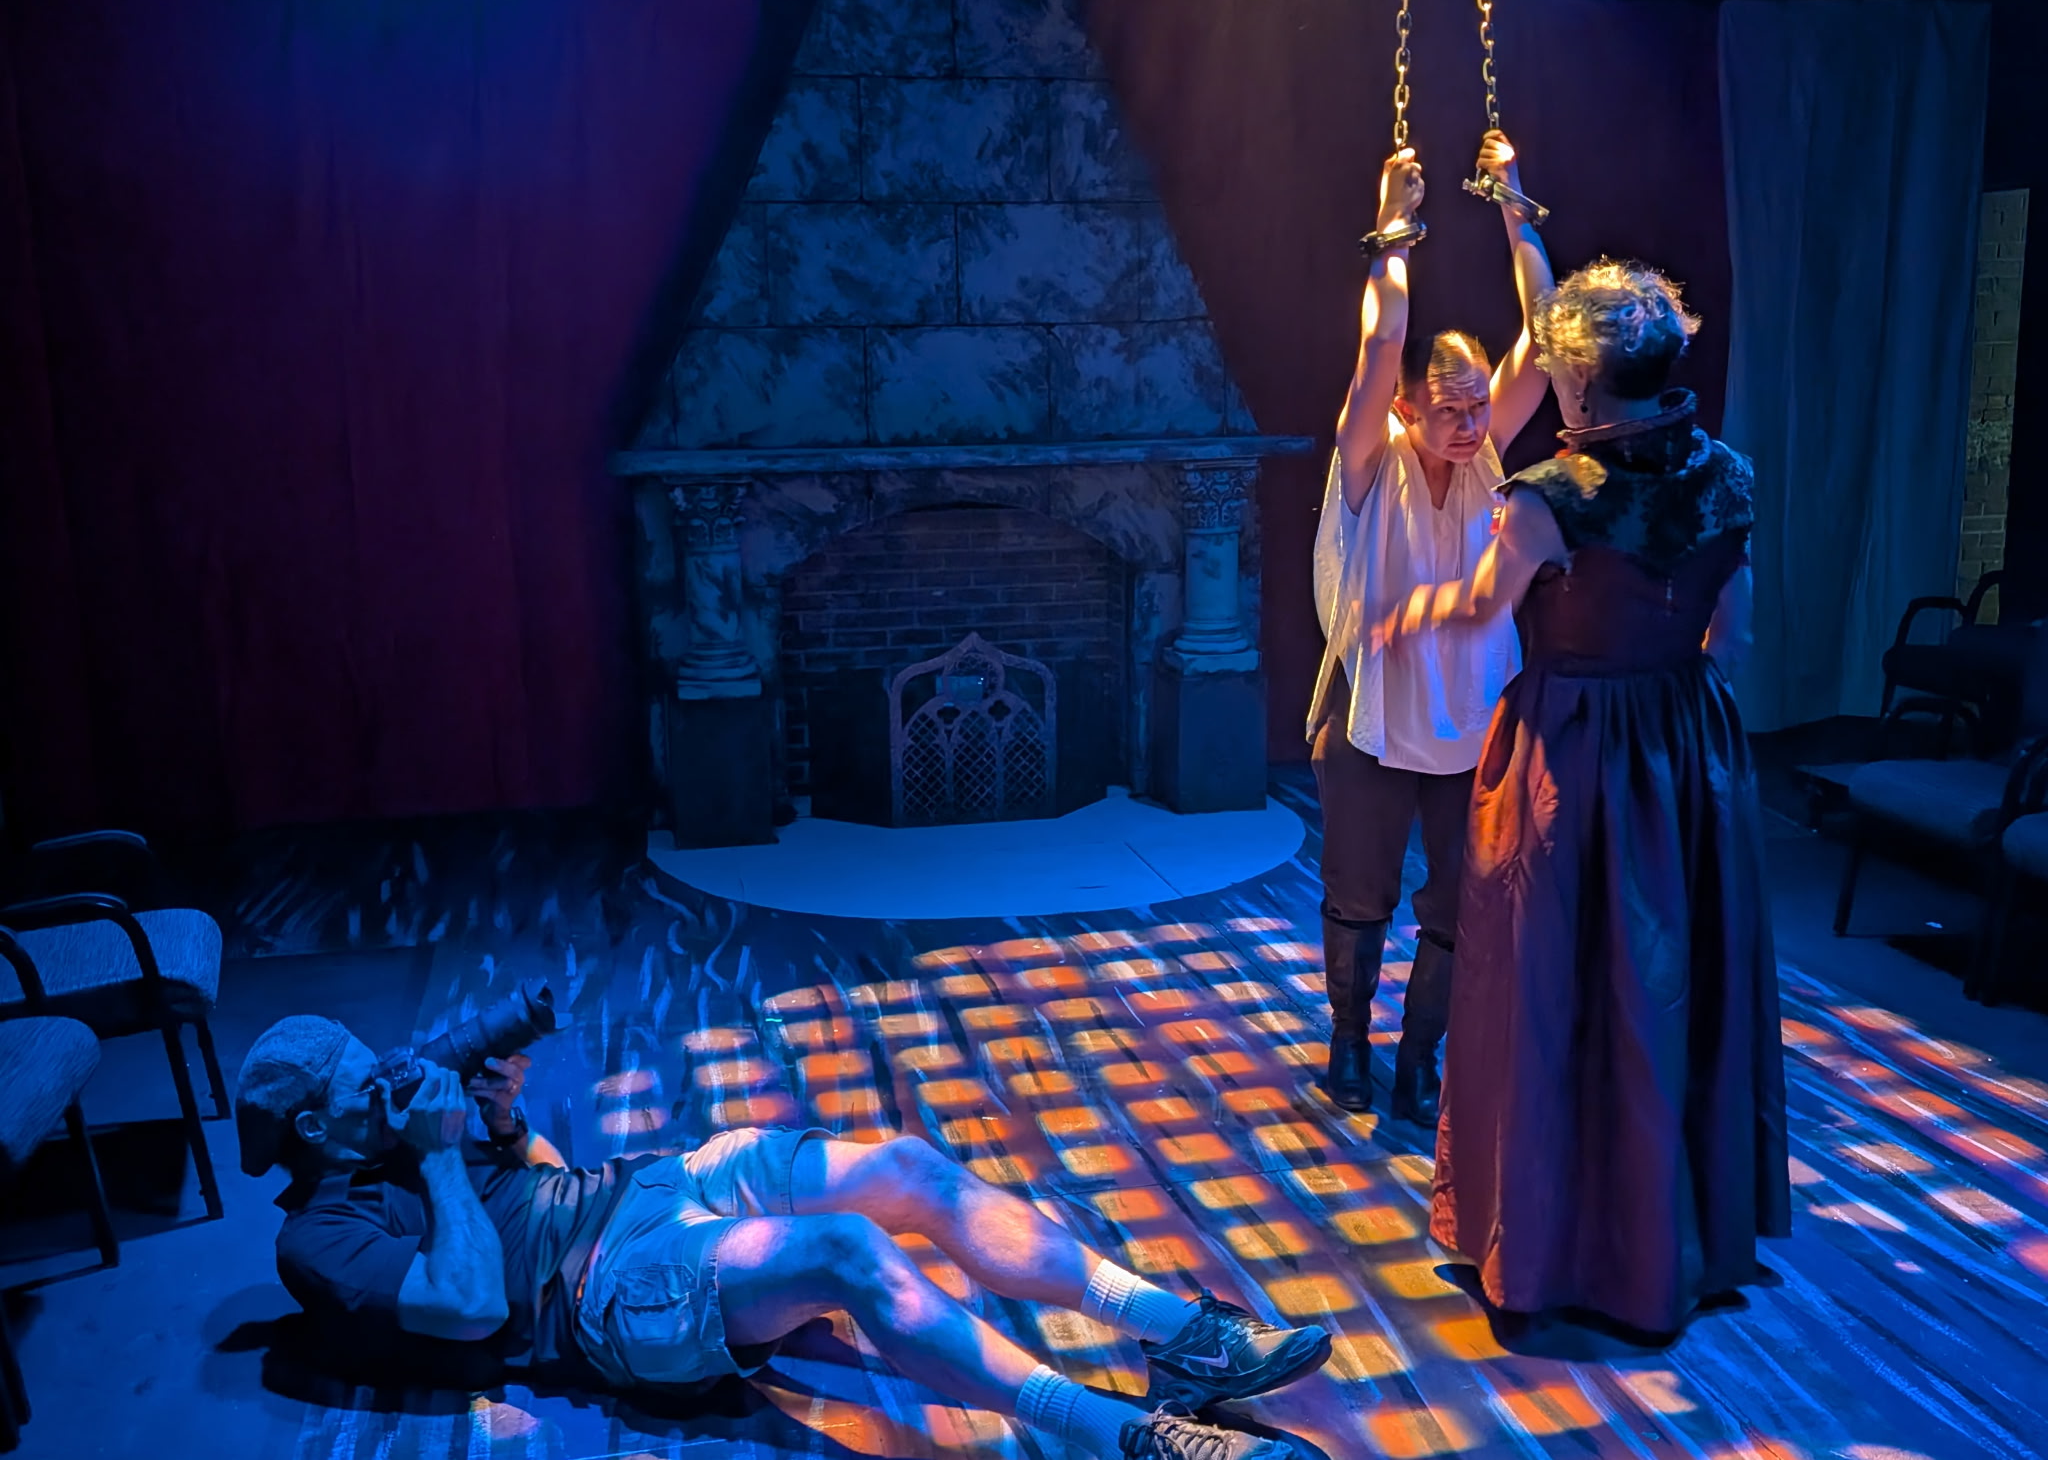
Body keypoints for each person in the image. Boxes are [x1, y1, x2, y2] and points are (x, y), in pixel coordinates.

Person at [235, 1017, 1333, 1459]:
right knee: (847, 1252)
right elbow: (472, 1307)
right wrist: (436, 1153)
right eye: (359, 1089)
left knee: (906, 1166)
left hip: (650, 1186)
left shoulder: (405, 1138)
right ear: (313, 1131)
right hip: (612, 1289)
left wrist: (504, 1125)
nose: (386, 1087)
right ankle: (1122, 1436)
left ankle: (1177, 1333)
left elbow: (542, 1188)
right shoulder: (321, 1237)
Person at [1373, 258, 1791, 1338]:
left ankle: (1558, 1247)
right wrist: (1670, 711)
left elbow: (1480, 608)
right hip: (1686, 750)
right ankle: (1673, 1236)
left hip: (1572, 756)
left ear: (1576, 382)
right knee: (1669, 978)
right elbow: (1731, 638)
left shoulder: (1548, 498)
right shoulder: (1729, 478)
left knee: (1552, 983)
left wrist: (1403, 616)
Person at [1309, 131, 1555, 1121]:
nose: (1468, 424)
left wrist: (1513, 201)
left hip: (1475, 721)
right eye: (1447, 409)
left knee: (1460, 900)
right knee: (1358, 891)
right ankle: (1346, 1040)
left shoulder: (1489, 458)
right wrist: (1393, 229)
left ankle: (1419, 1058)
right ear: (1406, 412)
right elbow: (1380, 345)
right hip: (1374, 715)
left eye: (1476, 406)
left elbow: (1544, 336)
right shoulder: (1370, 461)